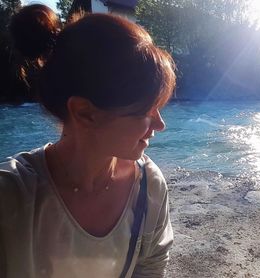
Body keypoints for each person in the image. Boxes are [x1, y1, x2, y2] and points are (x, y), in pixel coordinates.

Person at [0, 4, 176, 278]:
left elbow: (149, 268)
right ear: (84, 113)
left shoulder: (150, 188)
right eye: (144, 112)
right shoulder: (10, 195)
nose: (160, 125)